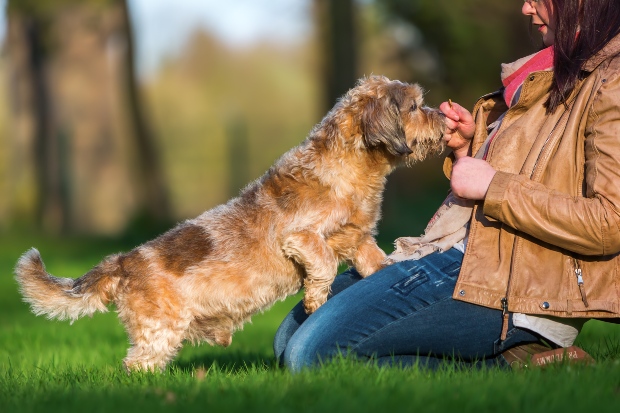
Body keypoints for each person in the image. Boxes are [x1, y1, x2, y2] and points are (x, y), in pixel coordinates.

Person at [274, 0, 620, 372]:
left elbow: (609, 221)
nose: (525, 8)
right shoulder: (558, 66)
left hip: (514, 291)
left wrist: (493, 186)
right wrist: (473, 147)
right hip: (462, 257)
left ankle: (518, 366)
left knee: (311, 356)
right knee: (289, 338)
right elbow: (544, 171)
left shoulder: (611, 79)